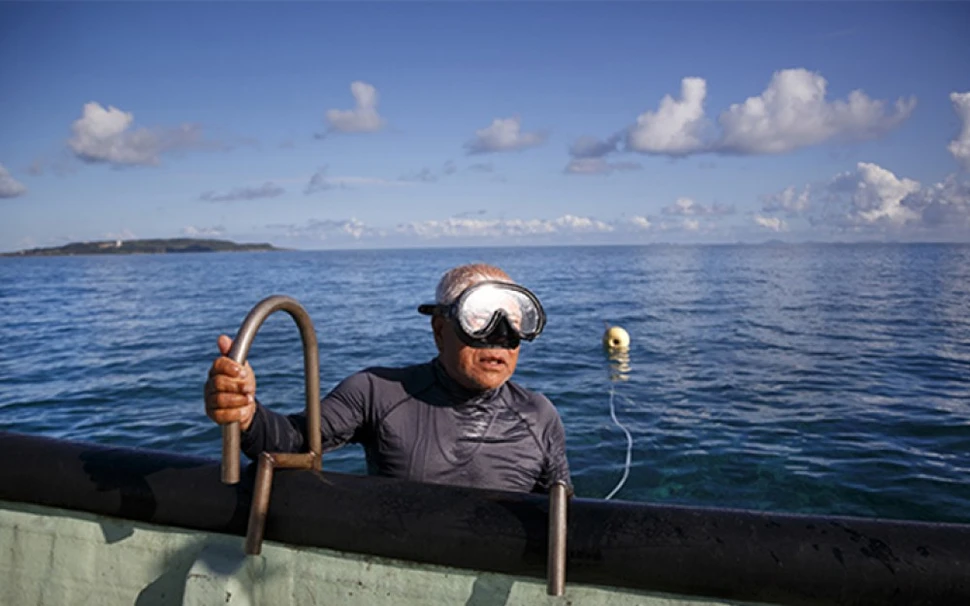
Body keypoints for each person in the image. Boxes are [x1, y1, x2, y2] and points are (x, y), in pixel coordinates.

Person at [204, 263, 571, 494]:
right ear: (440, 329)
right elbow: (293, 441)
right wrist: (246, 414)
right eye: (480, 320)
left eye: (514, 323)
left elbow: (561, 514)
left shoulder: (539, 415)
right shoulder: (378, 392)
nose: (500, 338)